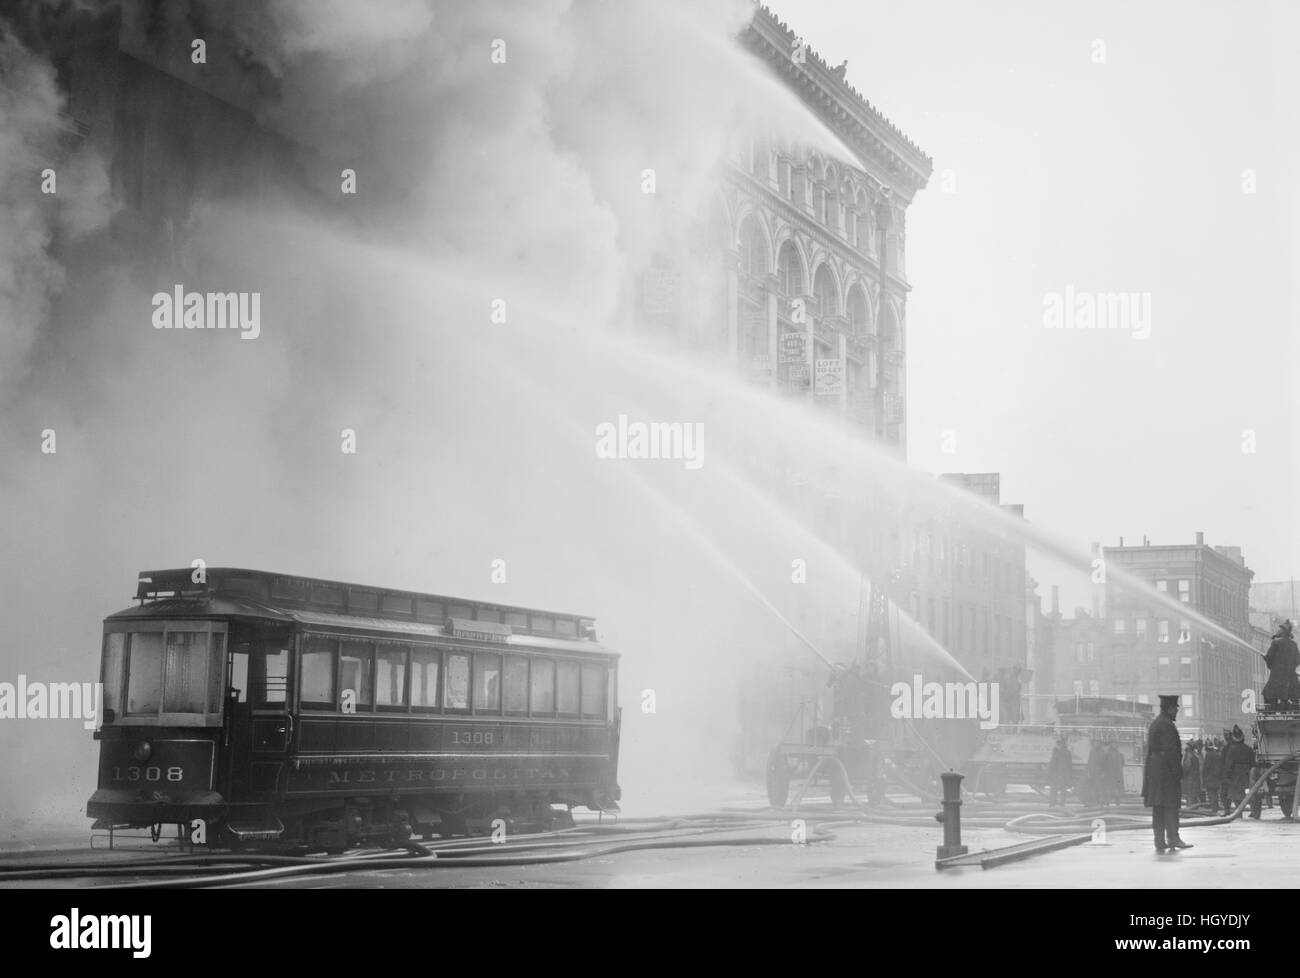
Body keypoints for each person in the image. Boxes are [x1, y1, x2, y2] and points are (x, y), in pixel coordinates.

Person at [1143, 694, 1192, 852]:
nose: (1176, 711)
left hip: (1155, 774)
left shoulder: (1156, 724)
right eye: (1175, 708)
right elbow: (1172, 753)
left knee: (1158, 808)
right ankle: (1173, 838)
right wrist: (1178, 773)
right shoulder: (1167, 726)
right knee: (1171, 807)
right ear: (1169, 708)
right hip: (1166, 775)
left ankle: (1159, 841)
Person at [1262, 620, 1300, 711]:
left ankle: (1271, 716)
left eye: (1279, 629)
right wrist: (1290, 668)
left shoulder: (1276, 642)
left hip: (1277, 678)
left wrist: (1266, 658)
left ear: (1283, 631)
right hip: (1291, 679)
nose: (1277, 630)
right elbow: (1298, 660)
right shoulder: (1294, 644)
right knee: (1293, 699)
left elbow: (1269, 659)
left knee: (1268, 695)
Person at [1221, 725, 1256, 817]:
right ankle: (1253, 811)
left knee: (1236, 796)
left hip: (1235, 776)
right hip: (1248, 775)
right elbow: (1253, 764)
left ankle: (1238, 813)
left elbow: (1229, 765)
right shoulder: (1249, 749)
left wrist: (1226, 776)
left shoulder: (1231, 750)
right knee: (1250, 794)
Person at [1047, 735, 1073, 807]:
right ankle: (1061, 804)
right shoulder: (1067, 753)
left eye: (1059, 743)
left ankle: (1053, 804)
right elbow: (1069, 766)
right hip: (1062, 775)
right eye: (1058, 743)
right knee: (1061, 790)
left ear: (1062, 744)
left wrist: (1049, 773)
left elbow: (1052, 764)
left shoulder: (1057, 752)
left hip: (1058, 774)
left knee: (1054, 790)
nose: (1058, 745)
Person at [1200, 739, 1221, 808]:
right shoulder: (1217, 754)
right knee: (1215, 793)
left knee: (1211, 793)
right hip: (1217, 777)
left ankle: (1213, 807)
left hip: (1210, 778)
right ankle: (1216, 806)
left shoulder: (1208, 755)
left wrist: (1204, 776)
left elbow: (1206, 767)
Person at [1183, 740, 1203, 808]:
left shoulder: (1189, 755)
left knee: (1189, 795)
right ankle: (1194, 808)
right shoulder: (1195, 755)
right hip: (1195, 778)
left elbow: (1186, 767)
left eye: (1187, 745)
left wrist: (1182, 774)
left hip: (1190, 779)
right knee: (1194, 795)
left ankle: (1190, 808)